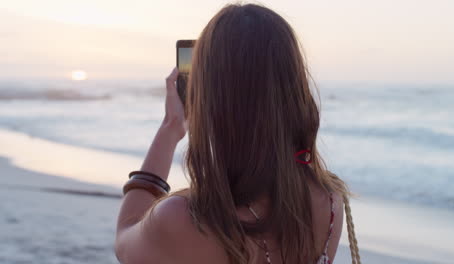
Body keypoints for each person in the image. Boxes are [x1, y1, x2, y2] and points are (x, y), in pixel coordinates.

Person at [114, 3, 352, 264]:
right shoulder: (329, 203)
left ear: (206, 94)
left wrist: (171, 127)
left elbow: (125, 241)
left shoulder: (184, 219)